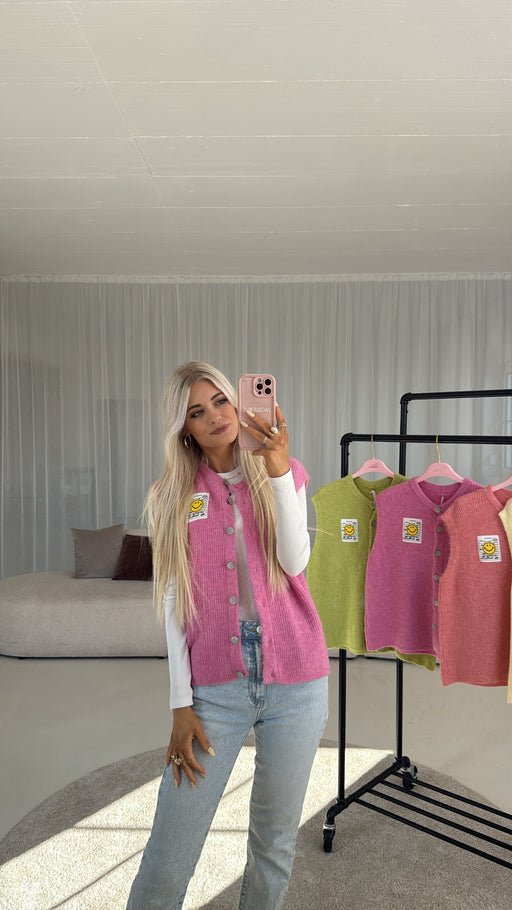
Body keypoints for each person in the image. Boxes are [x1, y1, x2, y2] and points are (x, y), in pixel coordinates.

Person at [126, 361, 330, 910]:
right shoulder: (171, 494)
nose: (215, 416)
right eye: (197, 412)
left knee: (274, 843)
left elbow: (295, 562)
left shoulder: (285, 472)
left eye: (221, 401)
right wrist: (180, 702)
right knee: (169, 853)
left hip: (297, 680)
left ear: (239, 404)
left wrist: (279, 469)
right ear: (184, 429)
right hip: (214, 687)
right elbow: (174, 600)